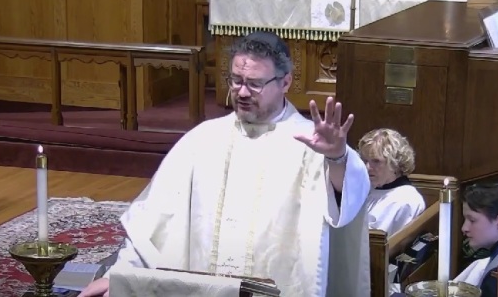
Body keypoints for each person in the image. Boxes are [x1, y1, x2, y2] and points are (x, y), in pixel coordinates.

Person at [79, 31, 372, 297]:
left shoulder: (310, 143)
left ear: (285, 82)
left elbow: (348, 200)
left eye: (255, 84)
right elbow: (154, 222)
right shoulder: (203, 139)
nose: (242, 93)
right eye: (236, 80)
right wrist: (121, 277)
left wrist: (337, 157)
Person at [357, 128, 425, 235]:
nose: (367, 167)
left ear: (395, 163)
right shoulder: (365, 188)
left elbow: (395, 246)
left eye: (376, 161)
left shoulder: (408, 200)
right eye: (365, 160)